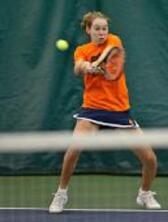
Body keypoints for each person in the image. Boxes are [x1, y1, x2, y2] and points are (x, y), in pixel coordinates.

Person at [49, 11, 161, 213]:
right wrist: (85, 66)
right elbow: (77, 67)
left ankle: (144, 193)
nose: (102, 32)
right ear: (88, 30)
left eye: (104, 28)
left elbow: (109, 54)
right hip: (92, 109)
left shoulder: (114, 40)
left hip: (119, 110)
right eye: (97, 29)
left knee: (150, 159)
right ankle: (61, 194)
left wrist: (96, 64)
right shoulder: (82, 50)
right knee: (73, 150)